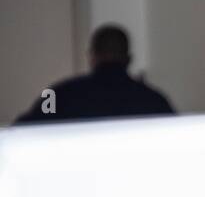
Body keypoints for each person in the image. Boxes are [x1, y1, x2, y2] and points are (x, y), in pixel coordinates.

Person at [13, 24, 175, 124]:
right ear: (129, 59)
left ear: (92, 57)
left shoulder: (60, 95)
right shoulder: (155, 101)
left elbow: (21, 131)